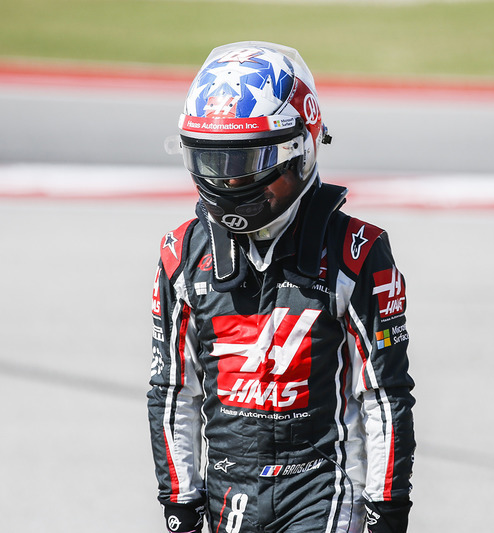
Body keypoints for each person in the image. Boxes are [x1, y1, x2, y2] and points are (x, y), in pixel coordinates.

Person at [147, 41, 415, 533]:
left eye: (244, 161)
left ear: (300, 150)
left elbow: (384, 396)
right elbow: (172, 391)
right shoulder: (181, 254)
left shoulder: (357, 252)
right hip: (227, 495)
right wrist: (180, 502)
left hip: (325, 491)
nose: (228, 183)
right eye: (213, 162)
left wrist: (386, 510)